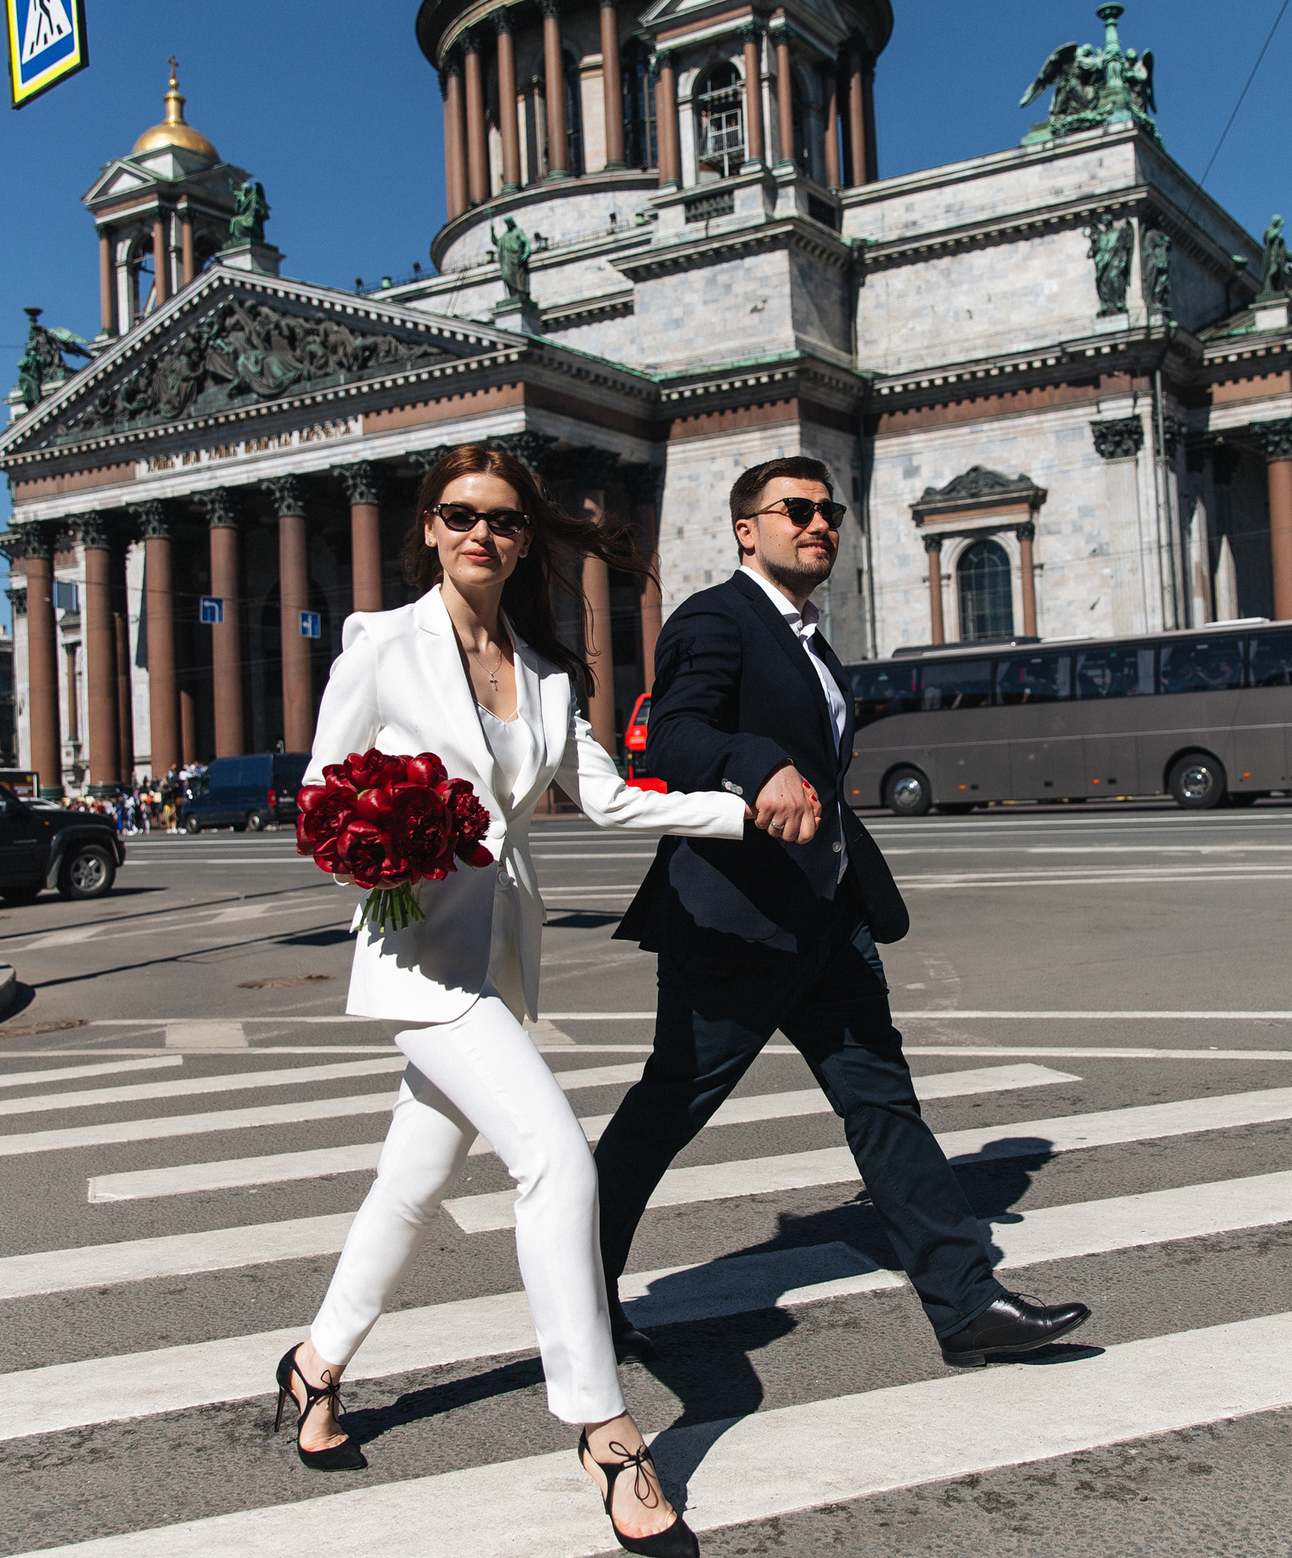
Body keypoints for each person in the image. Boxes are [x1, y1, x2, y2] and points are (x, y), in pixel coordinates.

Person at [277, 443, 744, 1557]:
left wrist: (735, 813)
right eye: (458, 514)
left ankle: (317, 1363)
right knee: (556, 1160)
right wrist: (388, 849)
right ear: (428, 530)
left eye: (501, 519)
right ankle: (603, 1429)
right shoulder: (379, 645)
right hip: (415, 960)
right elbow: (315, 807)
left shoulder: (540, 673)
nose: (480, 533)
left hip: (495, 957)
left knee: (412, 1178)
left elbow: (613, 805)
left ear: (523, 539)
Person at [595, 456, 1090, 1373]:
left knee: (881, 1101)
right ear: (747, 528)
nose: (820, 523)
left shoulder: (813, 640)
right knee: (668, 1107)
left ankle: (966, 1302)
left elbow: (816, 771)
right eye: (797, 510)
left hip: (824, 917)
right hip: (737, 919)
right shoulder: (715, 616)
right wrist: (754, 760)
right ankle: (578, 1288)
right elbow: (672, 735)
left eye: (831, 510)